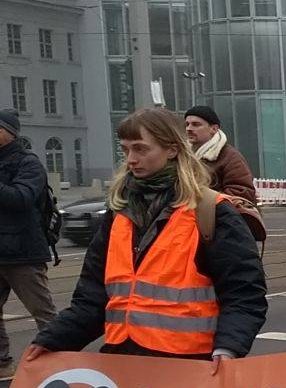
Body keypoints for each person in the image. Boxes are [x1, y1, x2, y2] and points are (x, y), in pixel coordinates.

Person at [23, 108, 268, 374]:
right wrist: (51, 340)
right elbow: (92, 298)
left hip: (189, 368)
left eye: (140, 149)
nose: (131, 159)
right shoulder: (119, 212)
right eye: (126, 150)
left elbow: (244, 292)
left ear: (172, 150)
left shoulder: (210, 210)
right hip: (123, 365)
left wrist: (228, 349)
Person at [0, 110, 57, 381]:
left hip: (23, 251)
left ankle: (59, 360)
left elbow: (22, 198)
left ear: (10, 132)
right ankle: (2, 363)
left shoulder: (28, 163)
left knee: (43, 311)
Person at [184, 106, 257, 205]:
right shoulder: (181, 156)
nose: (189, 129)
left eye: (196, 125)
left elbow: (242, 193)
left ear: (214, 129)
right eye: (187, 124)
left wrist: (204, 203)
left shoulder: (230, 157)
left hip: (216, 217)